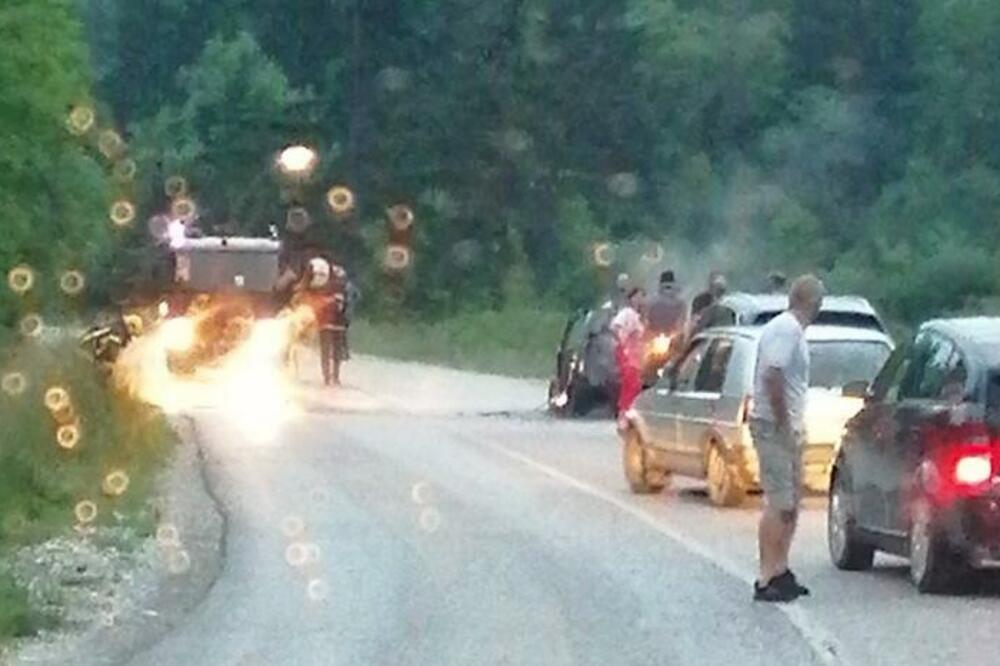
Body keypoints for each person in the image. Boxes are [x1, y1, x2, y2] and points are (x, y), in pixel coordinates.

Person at [749, 274, 825, 602]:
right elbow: (772, 375)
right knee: (779, 502)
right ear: (812, 301)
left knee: (792, 503)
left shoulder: (794, 331)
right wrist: (782, 421)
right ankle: (766, 575)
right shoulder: (786, 329)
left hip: (788, 425)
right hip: (773, 425)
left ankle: (781, 569)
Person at [611, 287, 645, 420]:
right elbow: (616, 326)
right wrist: (623, 342)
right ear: (631, 298)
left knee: (634, 385)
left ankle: (627, 412)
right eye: (637, 296)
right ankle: (624, 412)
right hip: (627, 354)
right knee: (631, 383)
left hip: (635, 355)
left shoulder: (638, 316)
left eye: (642, 297)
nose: (639, 299)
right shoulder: (626, 313)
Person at [646, 270, 687, 337]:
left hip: (653, 336)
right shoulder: (681, 303)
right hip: (672, 336)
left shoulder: (651, 301)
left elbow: (646, 319)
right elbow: (682, 322)